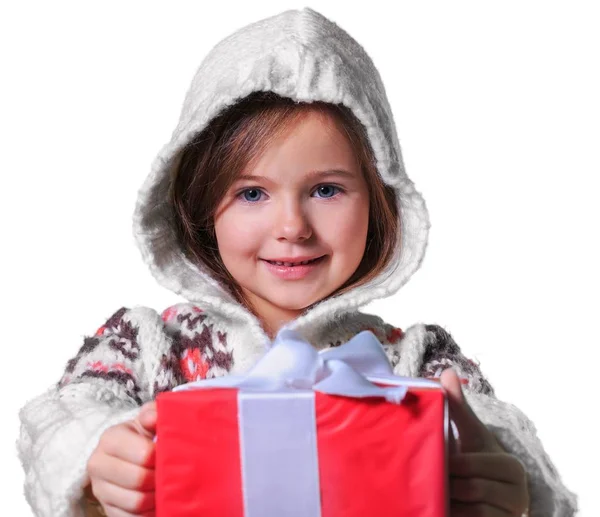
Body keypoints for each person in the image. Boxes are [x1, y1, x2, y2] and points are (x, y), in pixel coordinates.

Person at [16, 7, 577, 517]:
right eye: (253, 194)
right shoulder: (144, 346)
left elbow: (498, 428)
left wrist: (504, 474)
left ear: (382, 202)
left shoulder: (417, 361)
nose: (292, 228)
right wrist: (99, 455)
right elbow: (64, 414)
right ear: (197, 204)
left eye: (327, 190)